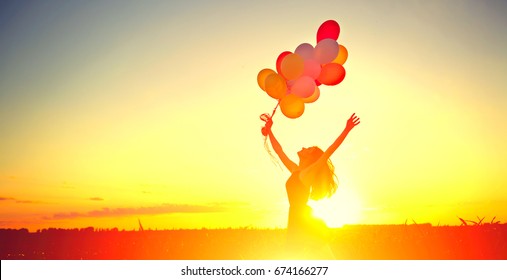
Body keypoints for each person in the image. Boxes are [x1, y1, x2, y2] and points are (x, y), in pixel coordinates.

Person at [262, 113, 360, 259]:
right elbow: (279, 150)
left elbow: (329, 151)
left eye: (308, 149)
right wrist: (270, 130)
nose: (303, 147)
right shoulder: (296, 170)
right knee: (299, 256)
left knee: (301, 255)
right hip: (296, 216)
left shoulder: (307, 173)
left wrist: (347, 129)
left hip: (302, 218)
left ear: (310, 157)